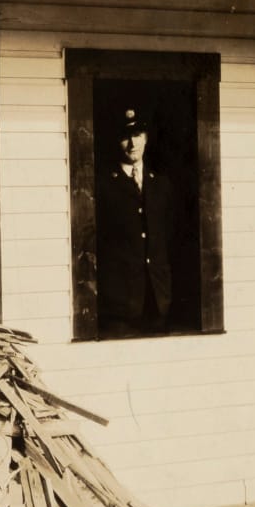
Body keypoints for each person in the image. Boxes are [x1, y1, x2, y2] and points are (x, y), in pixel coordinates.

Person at [95, 107, 175, 337]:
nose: (132, 144)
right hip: (120, 303)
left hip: (158, 298)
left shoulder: (161, 184)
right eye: (125, 137)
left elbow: (169, 235)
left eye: (138, 136)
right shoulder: (103, 185)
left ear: (146, 138)